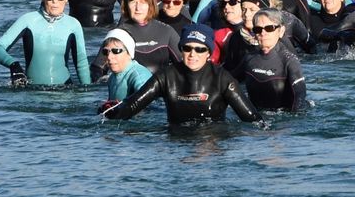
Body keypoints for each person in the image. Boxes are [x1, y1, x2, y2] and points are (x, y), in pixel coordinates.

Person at [103, 24, 263, 128]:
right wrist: (108, 116)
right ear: (181, 50)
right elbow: (132, 105)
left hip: (211, 142)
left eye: (199, 49)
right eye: (187, 48)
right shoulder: (166, 76)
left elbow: (252, 118)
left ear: (208, 53)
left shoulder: (222, 79)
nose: (193, 54)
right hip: (176, 144)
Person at [0, 0, 91, 86]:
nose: (55, 1)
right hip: (33, 93)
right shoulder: (28, 20)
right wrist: (14, 65)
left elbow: (81, 63)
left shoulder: (73, 25)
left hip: (65, 92)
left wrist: (87, 92)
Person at [92, 0, 180, 76]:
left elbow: (184, 64)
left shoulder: (166, 31)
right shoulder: (118, 34)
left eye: (143, 3)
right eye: (133, 2)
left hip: (160, 86)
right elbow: (97, 69)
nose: (138, 8)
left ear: (150, 5)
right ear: (126, 5)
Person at [234, 8, 307, 111]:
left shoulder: (289, 60)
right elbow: (229, 81)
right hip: (256, 119)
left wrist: (296, 119)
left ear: (281, 31)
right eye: (258, 29)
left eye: (269, 28)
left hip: (283, 121)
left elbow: (300, 94)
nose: (263, 33)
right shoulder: (249, 58)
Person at [97, 28, 153, 112]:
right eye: (106, 52)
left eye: (116, 51)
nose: (109, 57)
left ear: (129, 53)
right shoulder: (112, 78)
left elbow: (148, 104)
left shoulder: (138, 75)